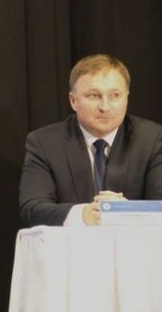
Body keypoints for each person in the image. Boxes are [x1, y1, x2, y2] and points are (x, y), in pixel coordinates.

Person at [19, 54, 162, 227]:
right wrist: (83, 214)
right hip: (70, 243)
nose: (105, 107)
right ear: (73, 101)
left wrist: (127, 211)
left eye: (115, 95)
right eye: (94, 96)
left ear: (127, 97)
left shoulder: (153, 140)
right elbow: (32, 209)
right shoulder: (45, 143)